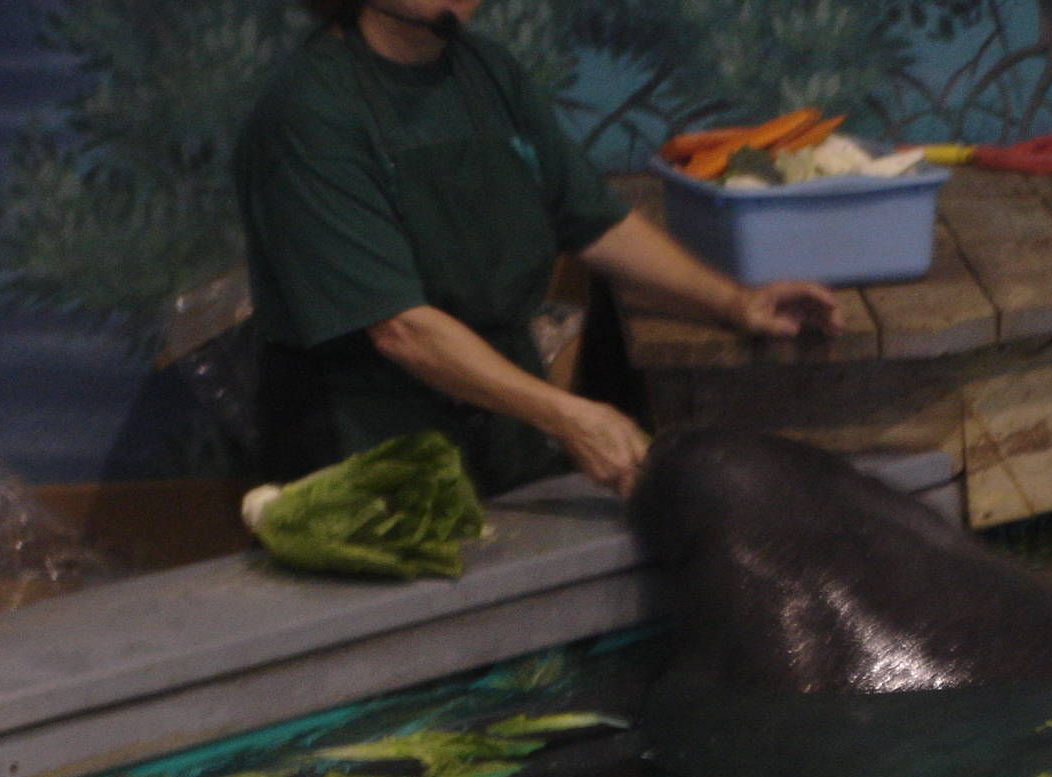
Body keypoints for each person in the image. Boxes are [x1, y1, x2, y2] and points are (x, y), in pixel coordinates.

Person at [235, 0, 843, 497]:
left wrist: (736, 302)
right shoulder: (311, 111)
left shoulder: (488, 72)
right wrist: (567, 415)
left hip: (502, 428)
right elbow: (399, 327)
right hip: (365, 447)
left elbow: (590, 219)